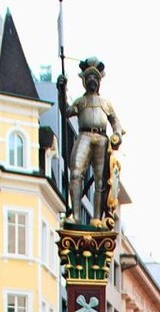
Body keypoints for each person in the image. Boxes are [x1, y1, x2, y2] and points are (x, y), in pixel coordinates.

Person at [64, 57, 124, 224]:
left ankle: (97, 218)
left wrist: (117, 133)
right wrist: (62, 90)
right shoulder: (80, 101)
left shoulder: (106, 104)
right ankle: (76, 217)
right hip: (84, 135)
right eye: (88, 77)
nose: (91, 80)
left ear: (99, 81)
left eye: (94, 78)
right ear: (84, 81)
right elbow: (66, 111)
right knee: (76, 173)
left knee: (101, 180)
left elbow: (115, 121)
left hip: (102, 139)